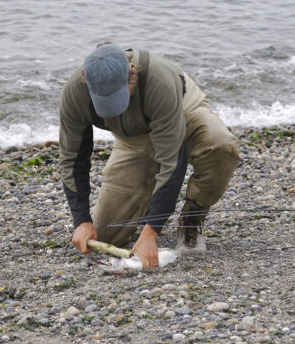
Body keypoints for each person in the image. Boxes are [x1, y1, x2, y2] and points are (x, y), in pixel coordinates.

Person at [59, 42, 239, 269]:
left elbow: (173, 160)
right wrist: (81, 220)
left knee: (221, 145)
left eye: (117, 97)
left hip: (184, 112)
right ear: (86, 82)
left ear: (132, 73)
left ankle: (192, 217)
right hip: (133, 138)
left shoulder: (159, 82)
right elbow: (72, 160)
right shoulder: (74, 93)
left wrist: (152, 230)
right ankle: (145, 202)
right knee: (102, 236)